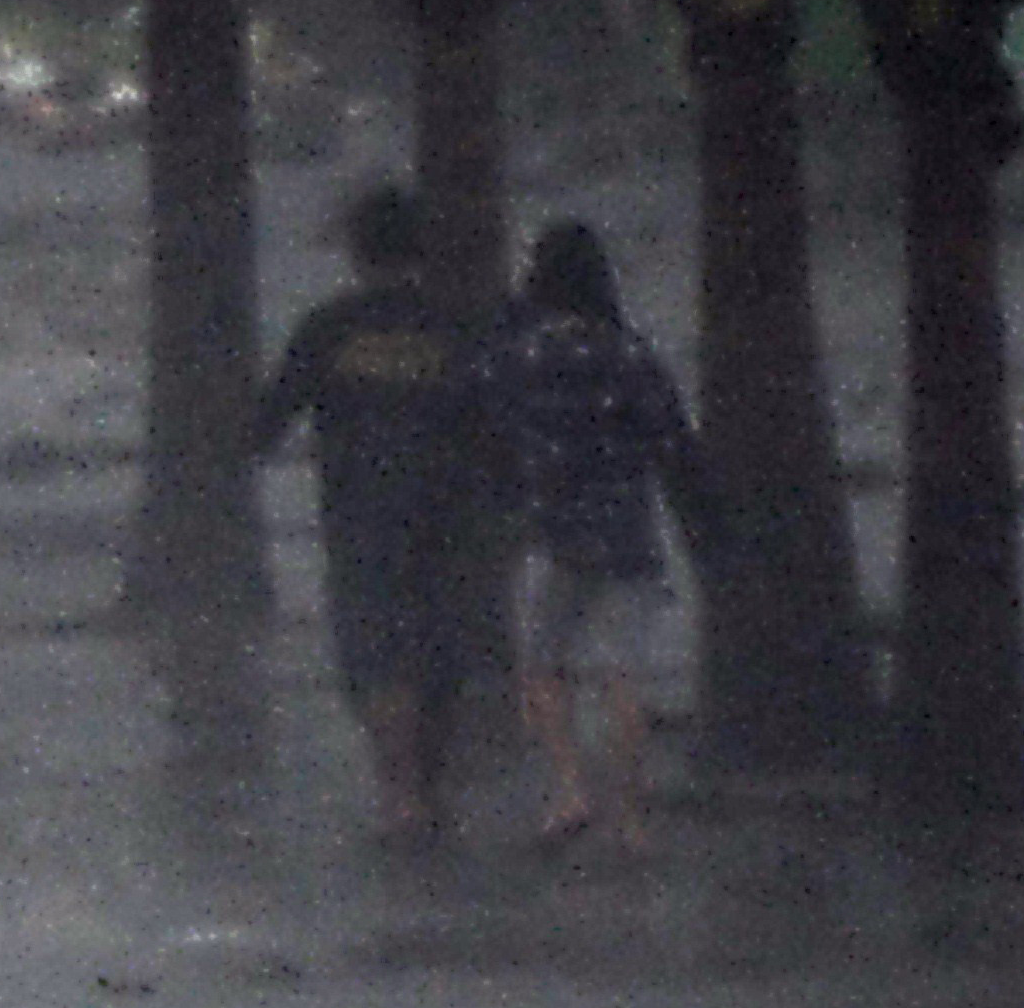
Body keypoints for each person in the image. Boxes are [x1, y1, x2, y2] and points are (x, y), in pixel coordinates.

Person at [253, 182, 499, 845]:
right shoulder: (459, 325)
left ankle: (401, 795)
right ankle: (428, 787)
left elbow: (272, 419)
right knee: (440, 648)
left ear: (357, 253)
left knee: (375, 656)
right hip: (450, 515)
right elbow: (494, 420)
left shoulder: (329, 326)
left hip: (360, 514)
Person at [488, 218, 718, 859]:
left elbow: (491, 427)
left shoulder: (523, 354)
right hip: (627, 537)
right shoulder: (632, 355)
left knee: (542, 666)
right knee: (624, 678)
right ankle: (631, 821)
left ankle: (568, 789)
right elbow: (674, 447)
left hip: (552, 536)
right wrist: (709, 536)